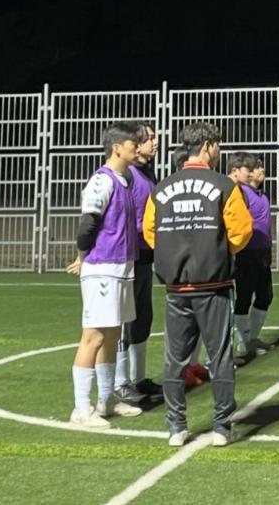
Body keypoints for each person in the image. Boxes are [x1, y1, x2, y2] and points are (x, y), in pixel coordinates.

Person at [143, 122, 253, 447]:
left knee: (174, 360)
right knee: (219, 357)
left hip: (176, 289)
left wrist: (174, 252)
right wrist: (217, 250)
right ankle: (222, 427)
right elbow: (242, 231)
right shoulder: (223, 185)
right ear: (207, 146)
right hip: (214, 285)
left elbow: (150, 232)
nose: (219, 151)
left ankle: (176, 427)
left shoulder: (161, 188)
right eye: (218, 145)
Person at [67, 121, 146, 428]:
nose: (137, 148)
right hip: (103, 269)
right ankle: (81, 408)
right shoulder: (102, 181)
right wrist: (83, 256)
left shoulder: (125, 179)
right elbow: (88, 223)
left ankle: (106, 399)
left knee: (112, 335)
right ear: (117, 148)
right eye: (132, 144)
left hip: (121, 268)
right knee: (94, 336)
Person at [113, 122, 161, 405]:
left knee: (143, 317)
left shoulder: (147, 173)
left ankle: (138, 377)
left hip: (144, 257)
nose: (155, 142)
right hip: (127, 257)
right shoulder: (127, 175)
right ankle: (120, 383)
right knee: (124, 320)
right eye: (150, 138)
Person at [232, 154, 275, 361]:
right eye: (256, 167)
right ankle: (243, 342)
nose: (261, 170)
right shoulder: (241, 193)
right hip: (246, 253)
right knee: (244, 297)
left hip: (262, 253)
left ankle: (253, 338)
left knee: (266, 295)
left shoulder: (262, 195)